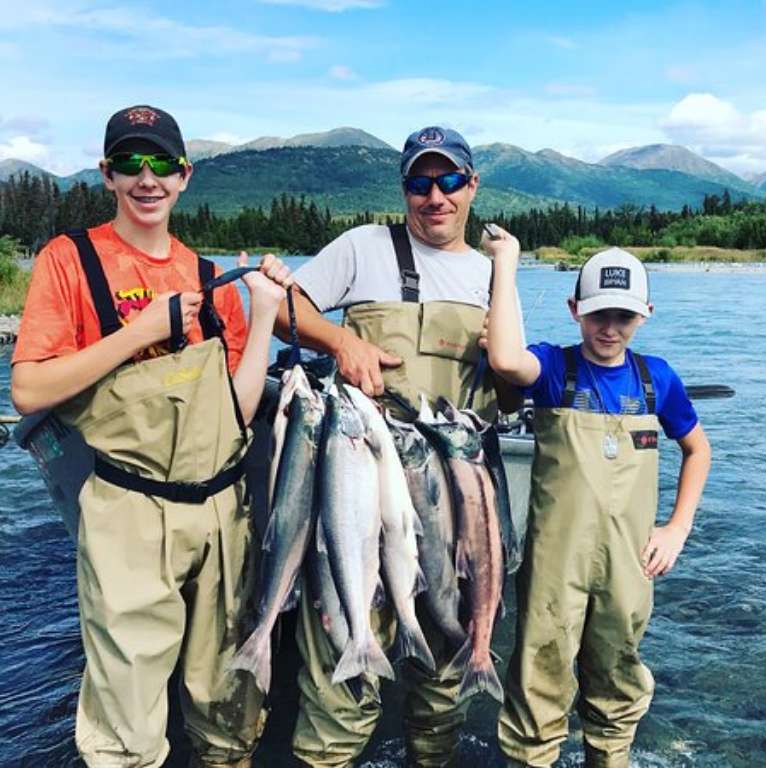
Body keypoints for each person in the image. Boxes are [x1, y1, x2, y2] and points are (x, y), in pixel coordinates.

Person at [11, 105, 293, 768]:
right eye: (130, 162)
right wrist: (140, 332)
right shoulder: (68, 260)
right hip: (127, 512)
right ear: (107, 174)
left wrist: (267, 314)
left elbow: (238, 407)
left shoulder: (206, 275)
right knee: (126, 729)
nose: (148, 177)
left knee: (228, 711)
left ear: (185, 176)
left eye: (161, 162)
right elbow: (27, 390)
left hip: (222, 513)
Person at [273, 125, 524, 766]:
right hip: (359, 491)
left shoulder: (491, 276)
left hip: (457, 508)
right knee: (339, 691)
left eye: (448, 181)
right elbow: (281, 310)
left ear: (472, 187)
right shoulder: (362, 248)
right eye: (419, 182)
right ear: (404, 189)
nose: (433, 196)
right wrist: (340, 342)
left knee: (442, 688)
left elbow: (515, 377)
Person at [483, 233, 712, 768]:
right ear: (574, 310)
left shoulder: (658, 380)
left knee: (618, 677)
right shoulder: (552, 369)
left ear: (645, 315)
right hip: (553, 565)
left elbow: (698, 451)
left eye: (624, 317)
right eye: (597, 315)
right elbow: (505, 359)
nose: (610, 329)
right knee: (539, 677)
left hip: (629, 565)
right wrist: (506, 265)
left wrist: (677, 528)